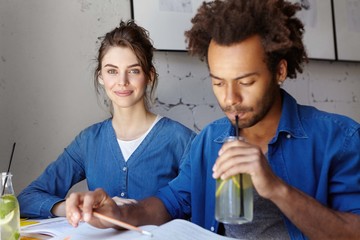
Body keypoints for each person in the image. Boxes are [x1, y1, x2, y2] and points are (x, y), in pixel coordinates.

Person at [65, 0, 360, 239]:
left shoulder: (339, 138)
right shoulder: (209, 139)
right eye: (218, 82)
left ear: (280, 71)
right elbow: (171, 202)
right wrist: (118, 213)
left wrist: (276, 189)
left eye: (245, 82)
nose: (230, 97)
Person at [18, 20, 196, 219]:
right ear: (101, 76)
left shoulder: (182, 139)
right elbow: (26, 199)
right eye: (112, 71)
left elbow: (201, 205)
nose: (122, 82)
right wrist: (72, 208)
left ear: (150, 76)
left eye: (134, 71)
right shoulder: (88, 141)